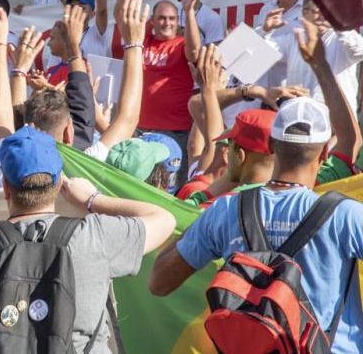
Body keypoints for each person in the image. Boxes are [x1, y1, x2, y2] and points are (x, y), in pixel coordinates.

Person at [0, 125, 176, 352]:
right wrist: (91, 200)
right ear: (59, 183)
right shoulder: (94, 236)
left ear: (6, 186)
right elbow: (165, 220)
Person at [150, 98, 363, 353]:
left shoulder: (226, 211)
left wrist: (205, 222)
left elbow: (159, 282)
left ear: (272, 146)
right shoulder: (346, 216)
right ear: (325, 153)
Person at [134, 0, 200, 188]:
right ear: (152, 21)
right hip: (141, 130)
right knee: (140, 185)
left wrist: (188, 11)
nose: (167, 23)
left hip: (176, 131)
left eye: (172, 18)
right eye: (162, 18)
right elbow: (124, 21)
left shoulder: (181, 44)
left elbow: (195, 52)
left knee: (173, 188)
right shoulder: (143, 43)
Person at [265, 0, 363, 109]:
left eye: (330, 12)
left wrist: (339, 24)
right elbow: (259, 54)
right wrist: (265, 30)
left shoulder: (342, 38)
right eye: (319, 11)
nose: (323, 16)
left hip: (336, 119)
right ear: (304, 12)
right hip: (300, 117)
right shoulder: (293, 39)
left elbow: (359, 51)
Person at [254, 0, 308, 87]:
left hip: (296, 88)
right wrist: (264, 30)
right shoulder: (266, 9)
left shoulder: (309, 10)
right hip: (265, 89)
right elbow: (254, 47)